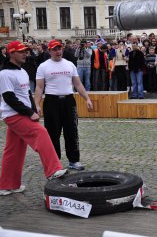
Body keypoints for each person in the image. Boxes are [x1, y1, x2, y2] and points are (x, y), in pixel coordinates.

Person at [0, 41, 67, 196]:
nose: (25, 54)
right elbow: (9, 98)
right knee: (41, 133)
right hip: (14, 114)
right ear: (11, 53)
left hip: (21, 113)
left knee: (14, 151)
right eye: (21, 51)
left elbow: (26, 95)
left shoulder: (22, 71)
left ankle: (7, 185)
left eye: (26, 51)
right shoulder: (5, 74)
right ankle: (53, 170)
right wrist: (29, 113)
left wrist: (33, 108)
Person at [34, 40, 93, 171]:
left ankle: (74, 160)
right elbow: (39, 87)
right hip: (51, 101)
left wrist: (87, 98)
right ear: (49, 51)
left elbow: (77, 84)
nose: (58, 51)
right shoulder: (43, 66)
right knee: (52, 133)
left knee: (72, 131)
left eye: (59, 49)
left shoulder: (69, 64)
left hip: (68, 100)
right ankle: (55, 163)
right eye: (55, 49)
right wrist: (36, 104)